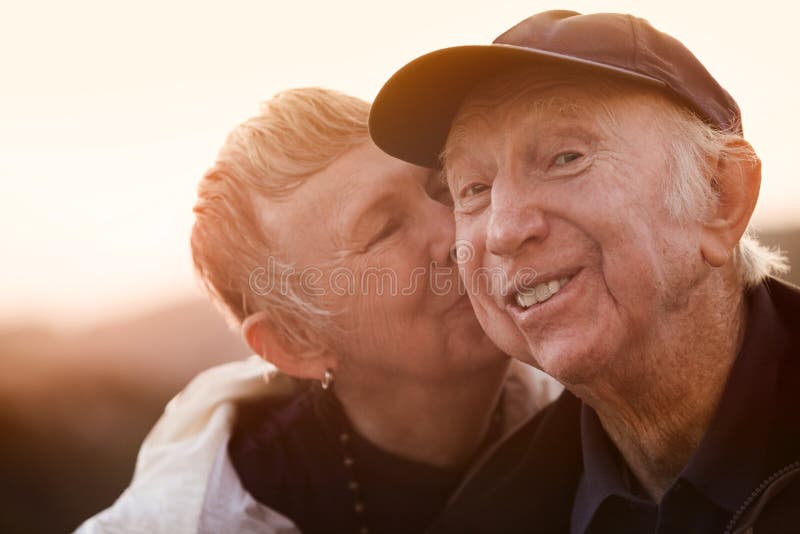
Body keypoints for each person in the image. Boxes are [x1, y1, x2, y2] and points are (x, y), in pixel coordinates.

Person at [370, 10, 800, 533]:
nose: (504, 231)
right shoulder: (482, 518)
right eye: (474, 189)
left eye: (565, 157)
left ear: (719, 195)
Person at [76, 87, 558, 534]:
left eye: (442, 188)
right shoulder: (199, 517)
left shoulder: (594, 409)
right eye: (385, 229)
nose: (458, 233)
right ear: (295, 342)